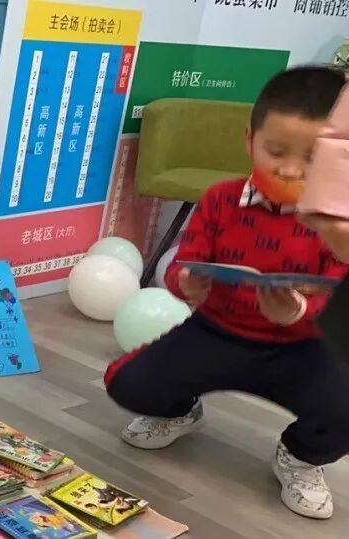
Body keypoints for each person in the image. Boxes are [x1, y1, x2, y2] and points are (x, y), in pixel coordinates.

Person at [103, 65, 349, 519]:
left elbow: (338, 299)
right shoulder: (220, 199)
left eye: (312, 158)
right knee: (127, 383)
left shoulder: (338, 221)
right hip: (215, 331)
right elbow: (184, 263)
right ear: (250, 140)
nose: (289, 169)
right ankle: (180, 411)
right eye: (276, 151)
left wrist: (297, 311)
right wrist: (185, 282)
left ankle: (301, 456)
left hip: (304, 348)